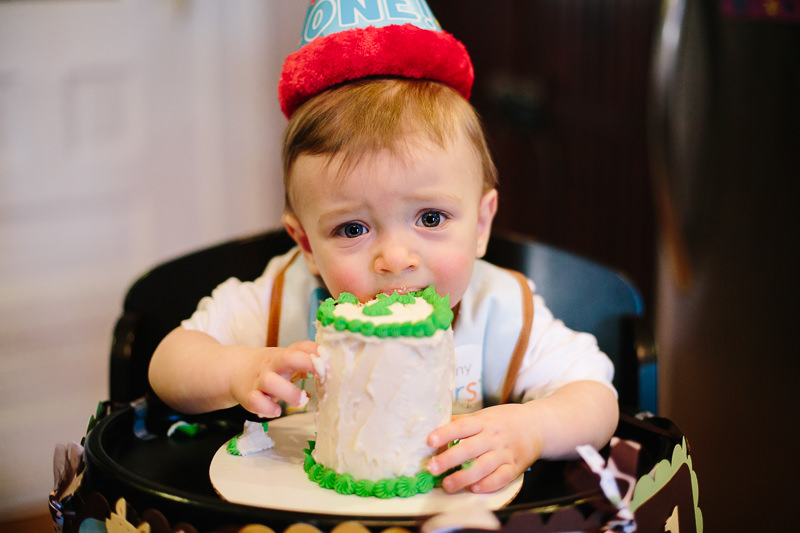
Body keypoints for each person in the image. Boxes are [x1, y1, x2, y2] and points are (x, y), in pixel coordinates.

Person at [149, 0, 619, 496]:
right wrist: (238, 371)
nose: (395, 259)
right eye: (353, 229)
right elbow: (168, 364)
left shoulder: (500, 311)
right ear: (306, 244)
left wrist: (533, 428)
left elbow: (596, 398)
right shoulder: (279, 301)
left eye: (431, 218)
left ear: (481, 225)